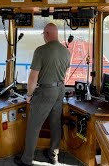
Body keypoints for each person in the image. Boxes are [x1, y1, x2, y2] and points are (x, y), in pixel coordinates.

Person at [14, 23, 71, 166]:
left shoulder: (40, 51)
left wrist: (29, 95)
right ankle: (53, 155)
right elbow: (64, 72)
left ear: (46, 34)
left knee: (34, 126)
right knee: (55, 123)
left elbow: (33, 77)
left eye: (43, 35)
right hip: (60, 90)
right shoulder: (66, 51)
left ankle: (26, 160)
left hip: (46, 91)